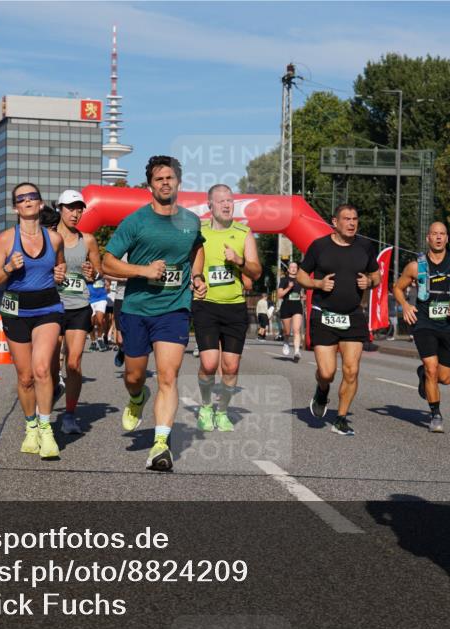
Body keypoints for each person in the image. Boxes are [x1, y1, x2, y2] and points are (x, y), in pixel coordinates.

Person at [101, 155, 206, 471]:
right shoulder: (136, 222)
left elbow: (197, 249)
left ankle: (161, 445)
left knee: (169, 375)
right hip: (136, 308)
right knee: (134, 376)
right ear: (150, 185)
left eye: (170, 178)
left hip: (174, 308)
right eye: (159, 179)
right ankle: (136, 398)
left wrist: (197, 277)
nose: (165, 183)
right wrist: (142, 270)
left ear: (178, 182)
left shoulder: (190, 221)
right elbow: (108, 262)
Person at [0, 182, 67, 460]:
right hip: (16, 309)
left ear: (41, 203)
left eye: (32, 197)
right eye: (21, 199)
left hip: (47, 307)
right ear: (15, 207)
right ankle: (30, 425)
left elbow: (60, 264)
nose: (28, 201)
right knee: (26, 376)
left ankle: (46, 429)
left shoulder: (54, 239)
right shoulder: (6, 240)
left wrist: (60, 274)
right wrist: (9, 267)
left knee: (43, 368)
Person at [299, 204, 380, 436]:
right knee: (327, 372)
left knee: (351, 370)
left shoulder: (365, 246)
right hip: (323, 315)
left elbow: (377, 275)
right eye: (347, 219)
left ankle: (341, 418)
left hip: (353, 315)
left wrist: (370, 282)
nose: (352, 223)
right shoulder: (320, 246)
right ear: (335, 222)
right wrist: (318, 284)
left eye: (355, 219)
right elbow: (302, 274)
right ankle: (322, 390)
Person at [192, 184, 262, 432]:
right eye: (221, 201)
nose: (226, 205)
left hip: (234, 307)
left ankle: (222, 411)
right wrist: (196, 280)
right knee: (209, 364)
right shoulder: (198, 233)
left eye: (230, 201)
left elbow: (256, 271)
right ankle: (205, 405)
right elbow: (191, 265)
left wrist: (239, 260)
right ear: (209, 206)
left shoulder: (244, 233)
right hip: (206, 305)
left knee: (231, 366)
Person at [392, 222, 450, 433]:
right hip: (424, 322)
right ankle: (435, 414)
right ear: (428, 238)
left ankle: (422, 375)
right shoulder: (415, 266)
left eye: (442, 234)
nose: (438, 237)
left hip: (449, 325)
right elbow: (397, 288)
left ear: (447, 238)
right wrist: (406, 305)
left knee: (444, 378)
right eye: (434, 234)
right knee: (431, 368)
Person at [51, 190, 101, 434]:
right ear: (60, 209)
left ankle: (69, 414)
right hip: (52, 305)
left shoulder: (88, 240)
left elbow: (99, 273)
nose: (76, 213)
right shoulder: (48, 237)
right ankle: (53, 388)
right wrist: (52, 274)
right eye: (71, 208)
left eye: (79, 208)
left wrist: (92, 274)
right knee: (50, 363)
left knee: (73, 362)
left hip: (79, 305)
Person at [277, 261, 305, 360]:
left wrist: (302, 296)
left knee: (297, 330)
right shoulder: (284, 280)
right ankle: (286, 342)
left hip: (297, 306)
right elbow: (279, 295)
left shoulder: (300, 280)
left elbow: (301, 292)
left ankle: (297, 351)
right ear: (288, 269)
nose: (293, 269)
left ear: (297, 269)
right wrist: (288, 288)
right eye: (291, 267)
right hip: (286, 306)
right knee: (287, 332)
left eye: (295, 267)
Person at [87, 277, 109, 351]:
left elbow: (108, 275)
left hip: (101, 298)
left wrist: (107, 283)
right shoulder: (87, 268)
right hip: (89, 299)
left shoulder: (101, 268)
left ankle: (100, 338)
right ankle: (93, 342)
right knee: (90, 323)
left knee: (100, 320)